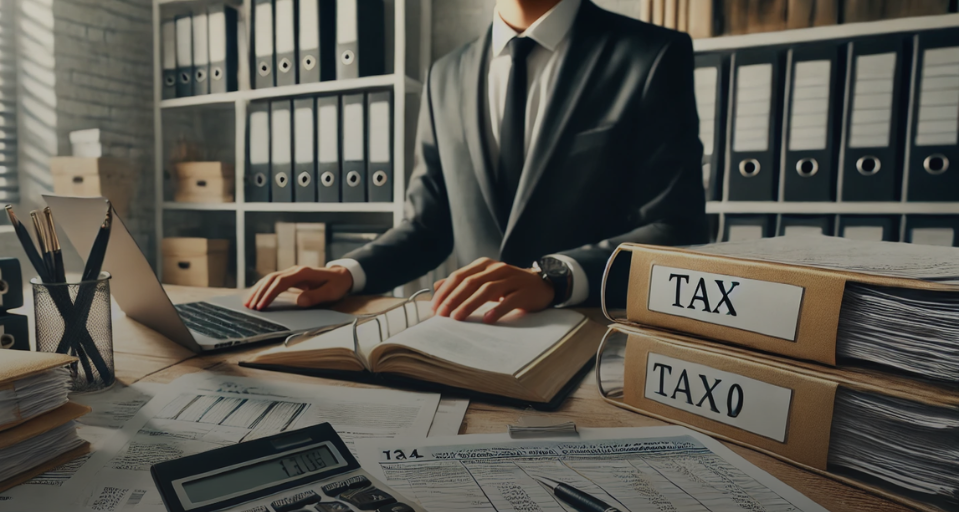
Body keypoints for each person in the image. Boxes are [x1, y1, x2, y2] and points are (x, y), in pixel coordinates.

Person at [246, 0, 707, 323]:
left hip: (586, 344)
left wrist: (555, 277)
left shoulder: (650, 55)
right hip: (464, 339)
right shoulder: (444, 74)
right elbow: (428, 226)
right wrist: (347, 272)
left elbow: (676, 229)